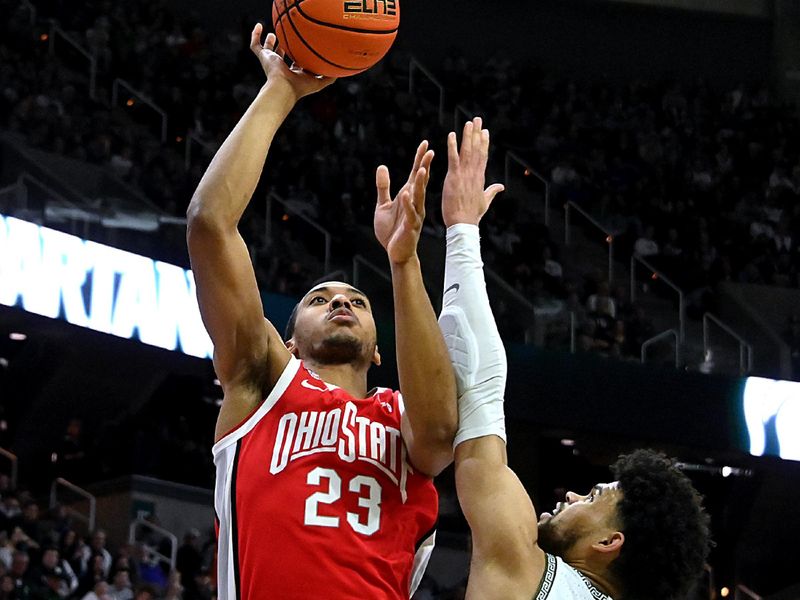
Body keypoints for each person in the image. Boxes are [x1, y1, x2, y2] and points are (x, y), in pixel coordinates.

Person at [186, 24, 457, 599]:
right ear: (288, 342)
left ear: (381, 348)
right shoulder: (261, 382)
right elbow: (209, 223)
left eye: (358, 301)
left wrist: (404, 262)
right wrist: (281, 88)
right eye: (319, 299)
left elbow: (438, 434)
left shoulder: (403, 417)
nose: (340, 301)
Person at [438, 119, 711, 599]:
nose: (570, 495)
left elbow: (480, 385)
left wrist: (461, 230)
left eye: (592, 497)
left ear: (609, 542)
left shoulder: (530, 571)